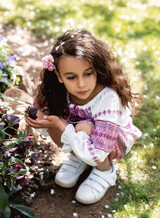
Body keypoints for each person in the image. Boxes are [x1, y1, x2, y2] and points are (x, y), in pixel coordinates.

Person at [25, 29, 142, 204]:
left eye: (88, 73)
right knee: (57, 121)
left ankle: (105, 172)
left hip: (108, 144)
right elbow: (43, 110)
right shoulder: (58, 91)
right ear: (58, 76)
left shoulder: (108, 98)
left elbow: (98, 152)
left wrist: (62, 125)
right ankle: (79, 158)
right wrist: (42, 117)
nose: (81, 84)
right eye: (71, 77)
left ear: (97, 68)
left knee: (80, 127)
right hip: (84, 137)